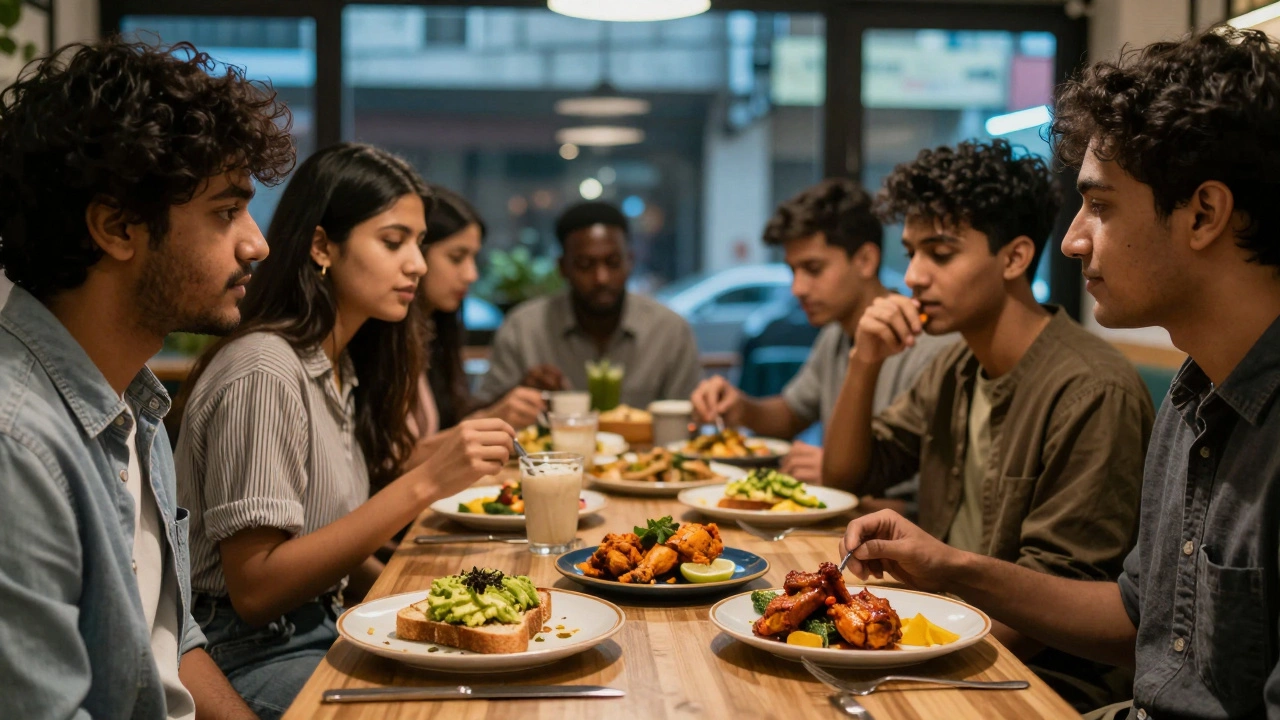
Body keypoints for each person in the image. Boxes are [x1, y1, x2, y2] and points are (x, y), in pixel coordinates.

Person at [839, 28, 1280, 719]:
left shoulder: (1098, 385)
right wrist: (949, 566)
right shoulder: (1195, 394)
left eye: (1099, 207)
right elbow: (1140, 616)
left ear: (1204, 214)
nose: (1072, 239)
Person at [0, 38, 294, 719]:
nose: (257, 244)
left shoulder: (134, 405)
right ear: (116, 227)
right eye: (226, 212)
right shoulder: (18, 445)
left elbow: (169, 639)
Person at [174, 144, 515, 718]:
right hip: (245, 653)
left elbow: (327, 538)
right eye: (393, 241)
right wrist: (424, 482)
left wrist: (413, 597)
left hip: (314, 626)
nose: (419, 265)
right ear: (321, 245)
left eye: (419, 243)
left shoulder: (338, 367)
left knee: (495, 677)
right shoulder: (265, 368)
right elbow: (256, 589)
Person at [824, 139, 1154, 706]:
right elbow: (848, 474)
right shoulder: (956, 365)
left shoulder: (1091, 391)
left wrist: (909, 660)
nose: (913, 278)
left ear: (1014, 258)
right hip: (953, 639)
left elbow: (1058, 603)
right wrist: (864, 359)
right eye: (910, 253)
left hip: (1044, 681)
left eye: (941, 253)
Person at [689, 178, 953, 487]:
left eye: (813, 269)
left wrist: (834, 470)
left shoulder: (932, 344)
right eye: (793, 270)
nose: (797, 288)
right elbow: (791, 414)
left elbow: (931, 488)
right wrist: (740, 407)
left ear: (865, 260)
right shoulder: (835, 333)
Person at [475, 201, 701, 408]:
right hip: (550, 452)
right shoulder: (523, 328)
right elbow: (485, 415)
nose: (601, 277)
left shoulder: (669, 330)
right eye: (585, 265)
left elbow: (691, 420)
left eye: (613, 263)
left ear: (630, 261)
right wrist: (518, 395)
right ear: (563, 267)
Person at [409, 184, 546, 439]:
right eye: (456, 257)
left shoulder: (434, 331)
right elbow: (391, 466)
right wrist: (495, 416)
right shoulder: (387, 340)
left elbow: (448, 424)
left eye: (474, 259)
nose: (471, 275)